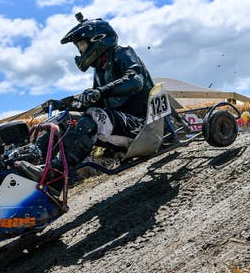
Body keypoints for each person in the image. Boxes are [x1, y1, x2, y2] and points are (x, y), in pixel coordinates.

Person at [16, 12, 154, 190]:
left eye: (81, 45)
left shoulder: (122, 53)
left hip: (142, 125)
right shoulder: (100, 70)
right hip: (119, 124)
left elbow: (135, 80)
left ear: (98, 40)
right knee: (64, 119)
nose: (80, 51)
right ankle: (32, 162)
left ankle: (56, 175)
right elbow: (92, 99)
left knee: (93, 116)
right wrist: (64, 104)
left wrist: (100, 92)